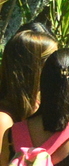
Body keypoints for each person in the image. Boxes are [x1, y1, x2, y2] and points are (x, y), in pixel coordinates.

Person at [0, 22, 59, 150]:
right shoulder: (3, 119)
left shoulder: (39, 104)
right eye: (51, 61)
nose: (58, 67)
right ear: (31, 67)